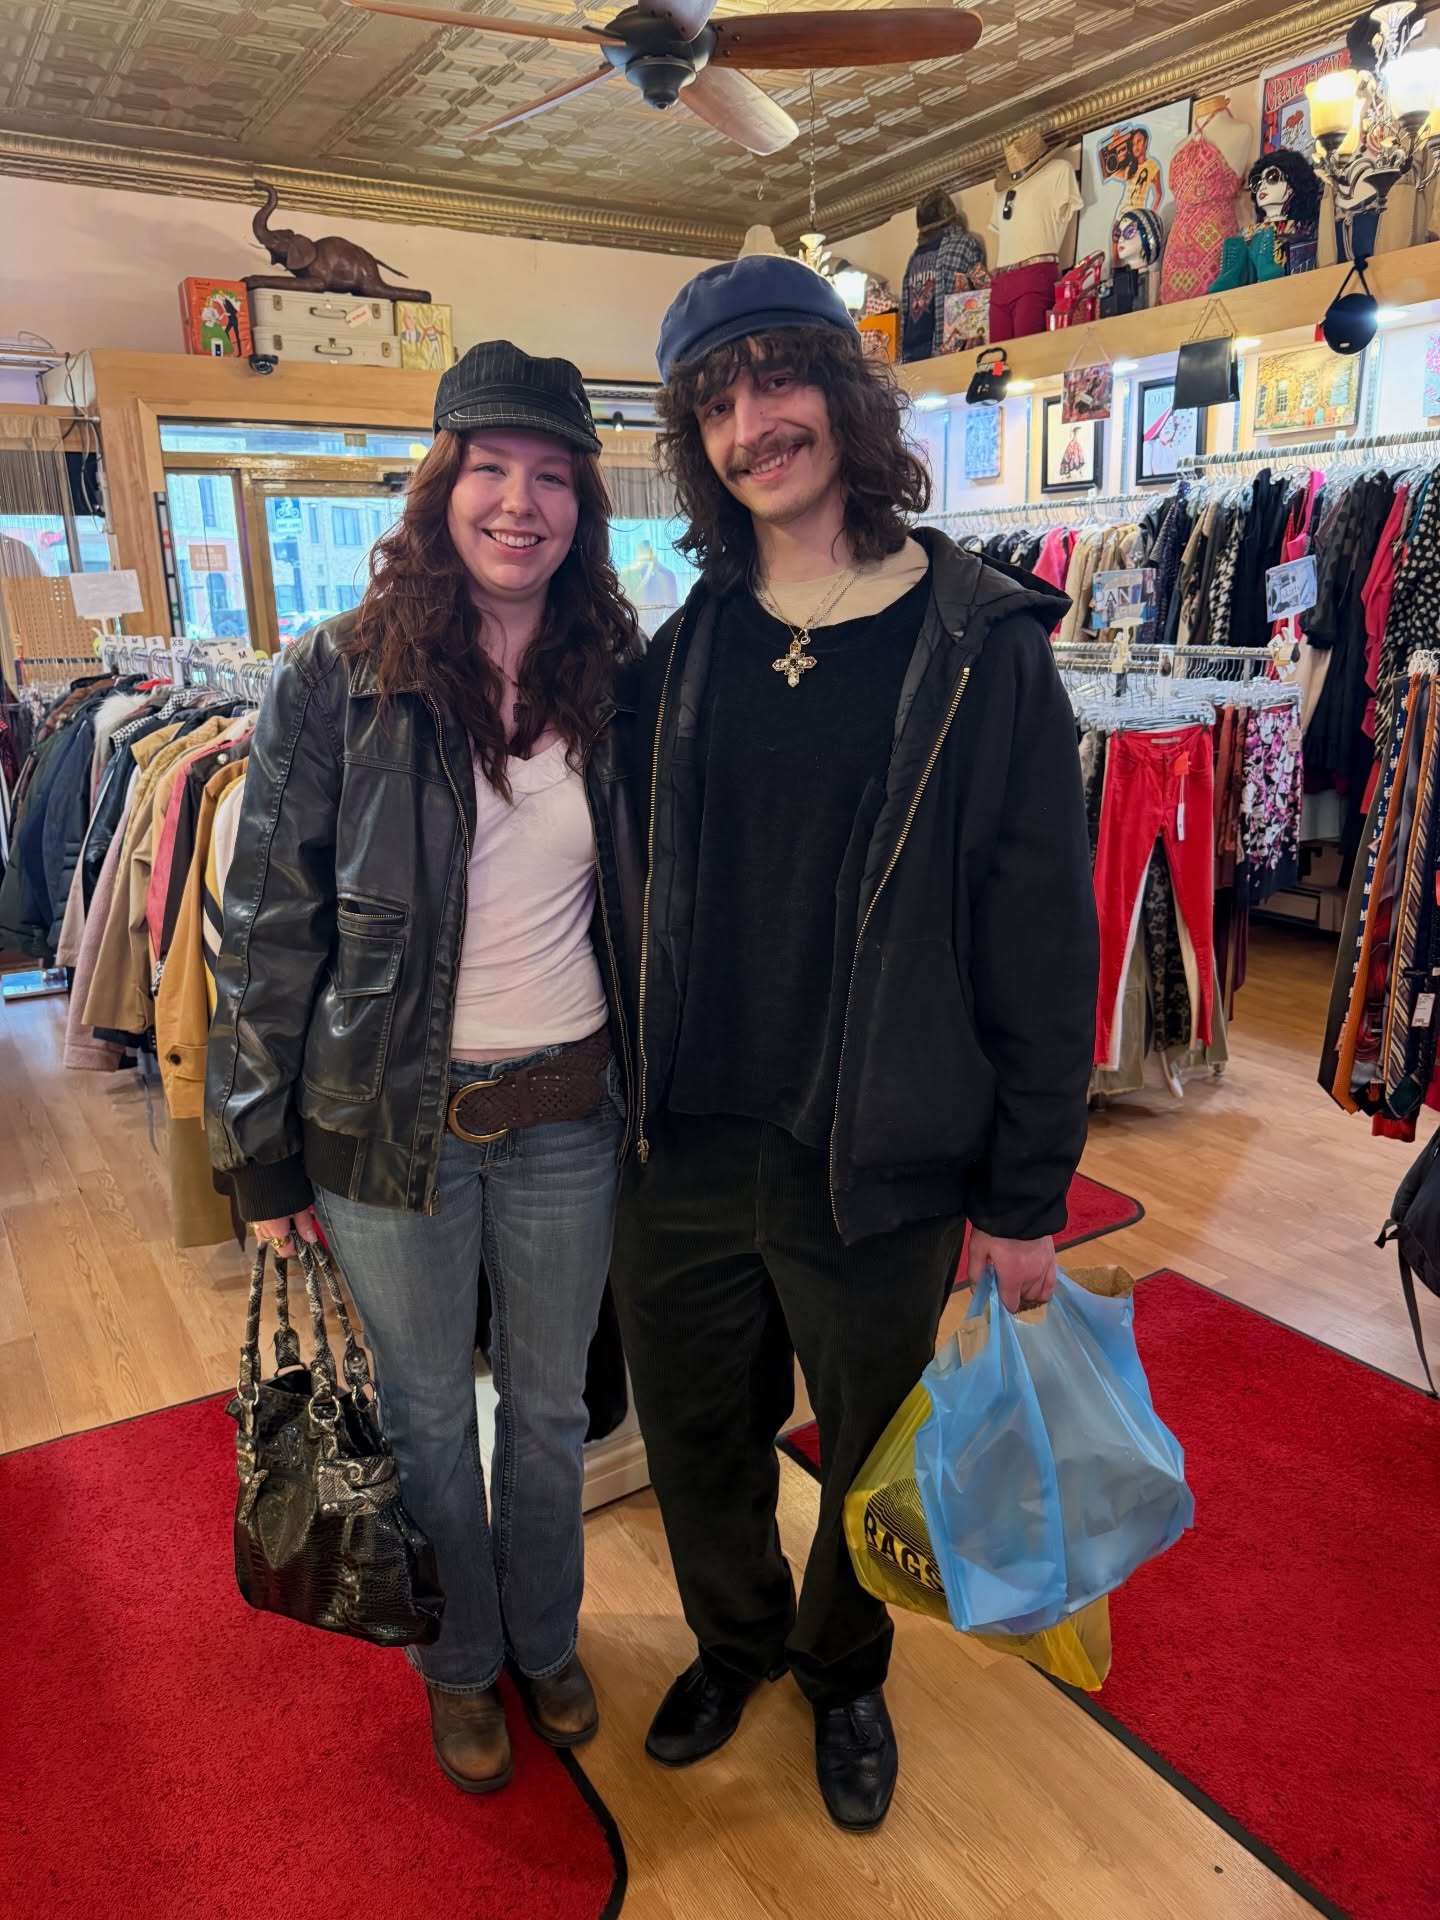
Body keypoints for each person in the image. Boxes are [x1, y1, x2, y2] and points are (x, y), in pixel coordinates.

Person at [609, 256, 1098, 1833]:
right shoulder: (674, 659)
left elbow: (1040, 930)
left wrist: (1027, 1194)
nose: (757, 425)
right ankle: (736, 1638)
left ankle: (840, 1667)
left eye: (779, 379)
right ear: (698, 439)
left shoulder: (981, 644)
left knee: (875, 1430)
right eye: (718, 400)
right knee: (695, 1434)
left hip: (875, 1143)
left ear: (843, 390)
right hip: (681, 1137)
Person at [205, 341, 640, 1796]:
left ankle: (546, 1631)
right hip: (391, 1128)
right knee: (427, 1416)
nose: (521, 505)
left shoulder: (618, 677)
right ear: (443, 483)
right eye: (493, 472)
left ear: (580, 504)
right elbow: (269, 925)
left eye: (553, 479)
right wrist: (261, 1158)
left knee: (556, 1405)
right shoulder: (336, 676)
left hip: (571, 1113)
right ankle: (458, 1663)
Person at [621, 538, 679, 617]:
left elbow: (673, 604)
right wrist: (650, 569)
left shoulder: (667, 574)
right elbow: (634, 598)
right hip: (636, 618)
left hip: (661, 619)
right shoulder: (626, 574)